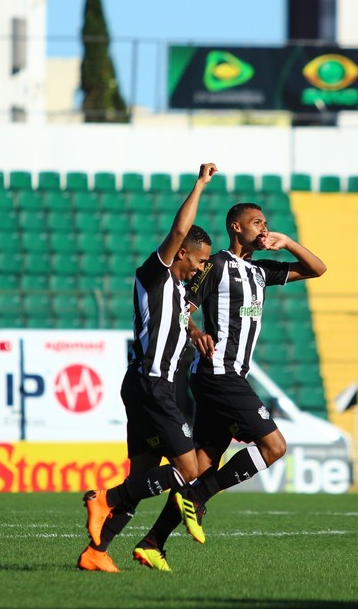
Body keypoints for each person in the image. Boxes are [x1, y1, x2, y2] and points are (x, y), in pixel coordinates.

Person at [132, 201, 327, 571]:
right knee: (274, 447)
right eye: (257, 223)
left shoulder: (260, 272)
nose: (264, 228)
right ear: (236, 228)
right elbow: (182, 305)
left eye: (266, 223)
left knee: (204, 463)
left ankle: (153, 542)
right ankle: (199, 497)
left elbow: (318, 269)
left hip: (231, 377)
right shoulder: (216, 265)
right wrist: (195, 332)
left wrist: (286, 242)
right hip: (218, 375)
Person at [77, 163, 217, 574]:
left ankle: (96, 551)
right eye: (198, 259)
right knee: (190, 471)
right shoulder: (154, 274)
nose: (199, 267)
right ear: (183, 252)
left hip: (146, 387)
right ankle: (104, 499)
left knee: (144, 477)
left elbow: (180, 311)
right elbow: (177, 233)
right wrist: (200, 185)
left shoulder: (175, 289)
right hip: (153, 387)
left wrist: (192, 329)